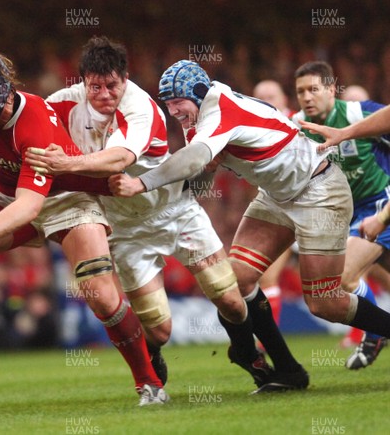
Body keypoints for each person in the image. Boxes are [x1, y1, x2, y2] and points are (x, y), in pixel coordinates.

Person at [28, 44, 306, 394]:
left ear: (125, 80)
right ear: (83, 82)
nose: (103, 94)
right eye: (94, 86)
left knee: (232, 300)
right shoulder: (64, 102)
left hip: (177, 213)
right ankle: (153, 357)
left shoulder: (141, 108)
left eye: (112, 85)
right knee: (159, 330)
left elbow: (118, 158)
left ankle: (246, 353)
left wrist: (65, 165)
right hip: (127, 230)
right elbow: (28, 119)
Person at [0, 49, 168, 406]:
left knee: (101, 297)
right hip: (8, 196)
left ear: (2, 92)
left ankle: (150, 385)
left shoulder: (34, 123)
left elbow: (32, 206)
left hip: (68, 198)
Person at [109, 60, 390, 386]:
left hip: (319, 190)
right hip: (278, 196)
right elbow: (206, 161)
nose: (173, 111)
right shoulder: (197, 113)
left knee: (325, 302)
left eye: (177, 102)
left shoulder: (219, 110)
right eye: (167, 104)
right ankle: (286, 370)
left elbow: (198, 159)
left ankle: (251, 351)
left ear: (198, 94)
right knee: (237, 280)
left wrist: (141, 184)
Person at [292, 61, 388, 369]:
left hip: (379, 205)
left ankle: (375, 333)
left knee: (343, 276)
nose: (307, 97)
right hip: (345, 213)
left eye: (314, 89)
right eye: (300, 91)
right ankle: (375, 333)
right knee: (343, 279)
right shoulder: (296, 127)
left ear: (332, 89)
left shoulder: (358, 115)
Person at [300, 105, 390, 251]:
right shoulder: (297, 124)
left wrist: (382, 218)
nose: (307, 97)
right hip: (349, 213)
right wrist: (343, 133)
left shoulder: (358, 112)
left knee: (343, 269)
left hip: (376, 203)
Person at [252, 80, 296, 326]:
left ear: (284, 101)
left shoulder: (301, 123)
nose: (267, 101)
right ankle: (270, 339)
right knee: (266, 278)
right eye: (261, 97)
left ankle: (366, 332)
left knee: (346, 276)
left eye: (272, 95)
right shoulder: (254, 131)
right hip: (282, 213)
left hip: (316, 211)